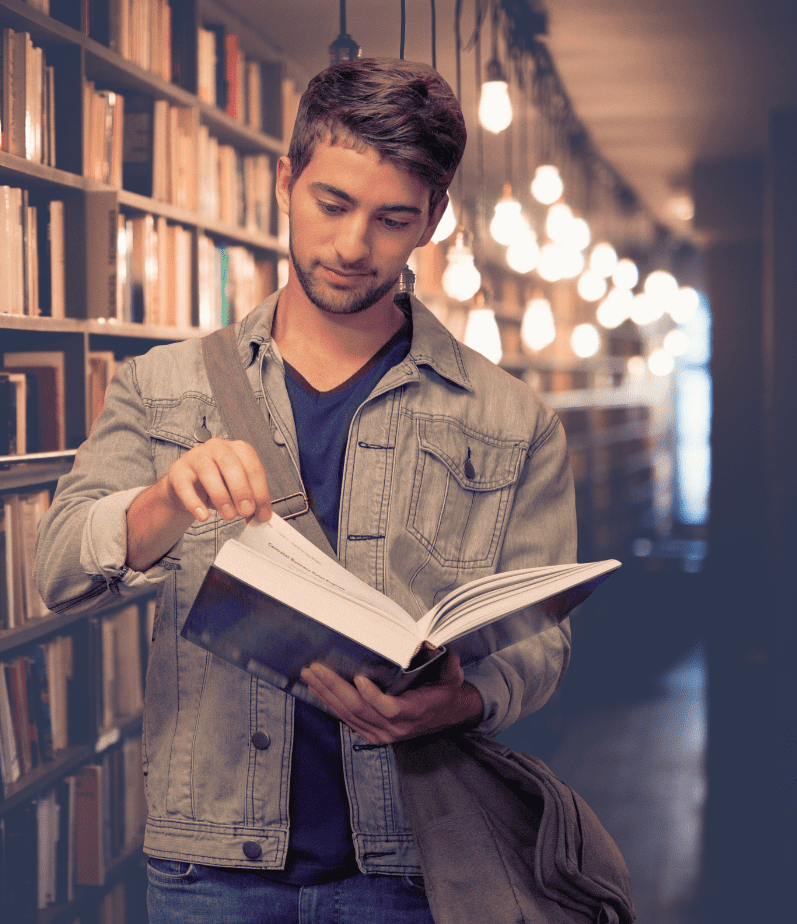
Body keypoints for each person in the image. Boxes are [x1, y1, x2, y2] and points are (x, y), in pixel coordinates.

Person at [35, 58, 577, 922]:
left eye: (393, 219)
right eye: (331, 204)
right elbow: (55, 566)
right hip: (208, 866)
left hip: (409, 866)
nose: (354, 245)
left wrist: (464, 700)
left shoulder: (512, 420)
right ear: (287, 181)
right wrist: (165, 501)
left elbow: (539, 646)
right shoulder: (163, 386)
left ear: (433, 219)